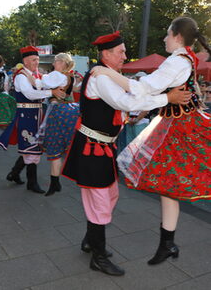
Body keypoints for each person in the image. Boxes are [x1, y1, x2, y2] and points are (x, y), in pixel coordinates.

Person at [62, 31, 191, 276]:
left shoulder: (110, 74)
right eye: (120, 51)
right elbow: (128, 104)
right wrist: (167, 98)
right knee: (100, 200)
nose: (125, 55)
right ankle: (98, 257)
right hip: (93, 147)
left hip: (103, 147)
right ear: (106, 54)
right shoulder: (101, 77)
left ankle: (91, 241)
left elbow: (133, 95)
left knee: (109, 197)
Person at [92, 17, 211, 266]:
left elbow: (145, 87)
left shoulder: (178, 59)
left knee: (174, 184)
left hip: (180, 127)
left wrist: (108, 73)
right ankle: (167, 243)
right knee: (168, 188)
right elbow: (154, 91)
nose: (164, 38)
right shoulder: (185, 58)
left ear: (177, 35)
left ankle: (167, 244)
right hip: (174, 126)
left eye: (167, 34)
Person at [0, 46, 65, 193]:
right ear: (25, 61)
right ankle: (31, 183)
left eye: (38, 60)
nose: (36, 63)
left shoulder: (36, 75)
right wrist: (51, 92)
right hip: (26, 115)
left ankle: (14, 173)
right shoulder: (21, 76)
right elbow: (29, 94)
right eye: (34, 60)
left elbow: (44, 85)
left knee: (31, 148)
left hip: (36, 114)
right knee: (32, 149)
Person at [37, 53, 80, 196]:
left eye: (56, 61)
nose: (54, 63)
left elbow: (43, 82)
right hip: (70, 111)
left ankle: (55, 183)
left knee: (54, 145)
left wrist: (33, 75)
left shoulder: (57, 75)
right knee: (62, 146)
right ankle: (56, 182)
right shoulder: (70, 76)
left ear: (62, 62)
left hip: (58, 112)